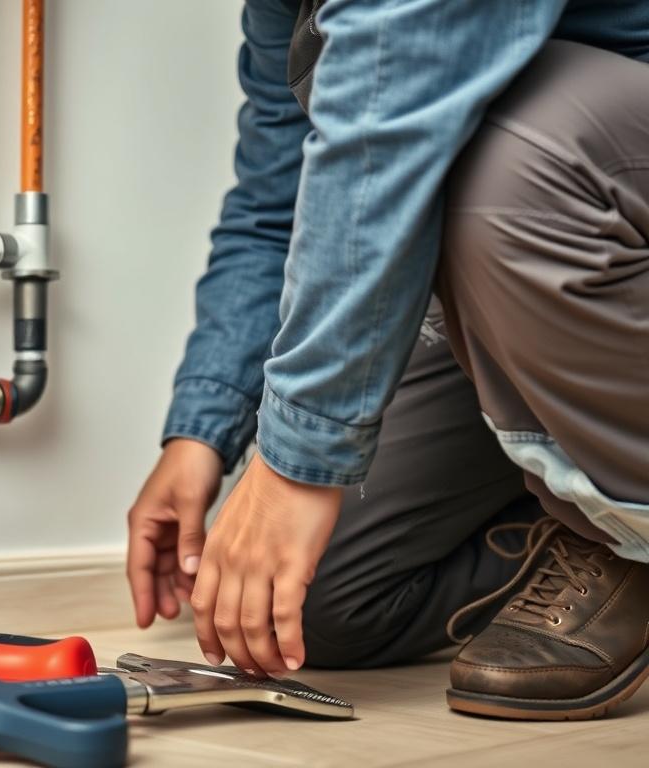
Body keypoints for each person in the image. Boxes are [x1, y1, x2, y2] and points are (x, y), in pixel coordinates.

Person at [126, 0, 649, 720]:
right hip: (524, 286)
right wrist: (199, 434)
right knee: (312, 602)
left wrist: (297, 458)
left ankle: (624, 533)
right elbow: (278, 209)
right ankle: (572, 507)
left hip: (600, 224)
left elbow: (389, 131)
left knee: (508, 152)